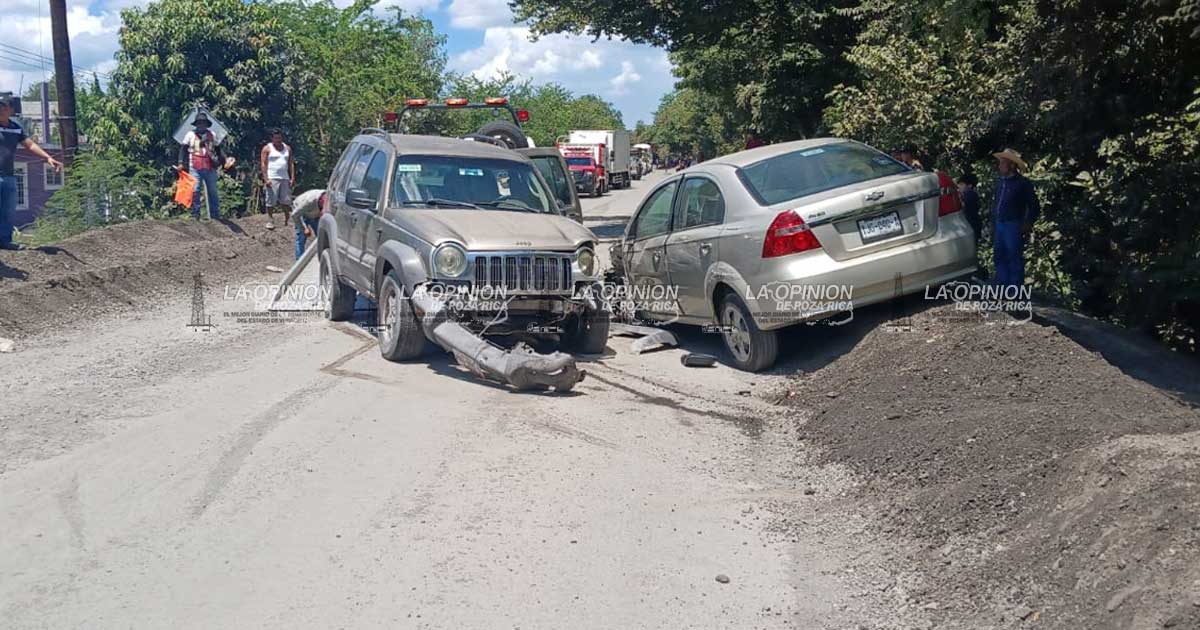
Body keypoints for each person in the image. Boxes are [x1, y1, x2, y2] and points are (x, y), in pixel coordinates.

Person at [0, 95, 62, 250]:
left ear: (11, 110)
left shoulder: (16, 128)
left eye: (5, 107)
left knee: (8, 210)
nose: (1, 110)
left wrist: (48, 158)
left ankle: (5, 241)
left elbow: (30, 145)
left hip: (8, 176)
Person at [991, 148, 1040, 287]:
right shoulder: (1000, 182)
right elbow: (995, 203)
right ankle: (1003, 285)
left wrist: (1028, 222)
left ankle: (1015, 288)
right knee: (999, 255)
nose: (1000, 166)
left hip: (1013, 223)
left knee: (1014, 255)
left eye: (1003, 163)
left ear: (1012, 165)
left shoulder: (1022, 183)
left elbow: (1034, 206)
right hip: (1000, 222)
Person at [178, 112, 229, 220]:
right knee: (195, 190)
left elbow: (218, 149)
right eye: (200, 123)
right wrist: (181, 162)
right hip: (195, 166)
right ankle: (195, 214)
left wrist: (224, 161)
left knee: (213, 191)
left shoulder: (212, 134)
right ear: (196, 124)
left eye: (203, 123)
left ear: (206, 124)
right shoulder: (190, 135)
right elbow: (183, 149)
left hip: (210, 166)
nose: (201, 125)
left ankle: (215, 215)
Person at [259, 128, 294, 230]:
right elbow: (263, 164)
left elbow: (291, 163)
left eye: (280, 138)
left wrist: (292, 177)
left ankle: (287, 218)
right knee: (271, 201)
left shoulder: (287, 148)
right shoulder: (267, 149)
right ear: (272, 139)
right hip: (272, 177)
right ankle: (270, 219)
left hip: (284, 177)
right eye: (276, 138)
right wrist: (266, 178)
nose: (278, 140)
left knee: (286, 200)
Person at [957, 173, 984, 277]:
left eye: (962, 184)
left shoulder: (970, 194)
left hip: (972, 224)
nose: (960, 187)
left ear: (969, 185)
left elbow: (965, 207)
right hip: (973, 224)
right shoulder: (970, 194)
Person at [289, 188, 323, 260]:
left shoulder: (331, 198)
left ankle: (322, 257)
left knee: (321, 236)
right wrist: (304, 228)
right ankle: (299, 260)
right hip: (301, 214)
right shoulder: (309, 201)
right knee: (301, 237)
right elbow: (295, 215)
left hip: (315, 214)